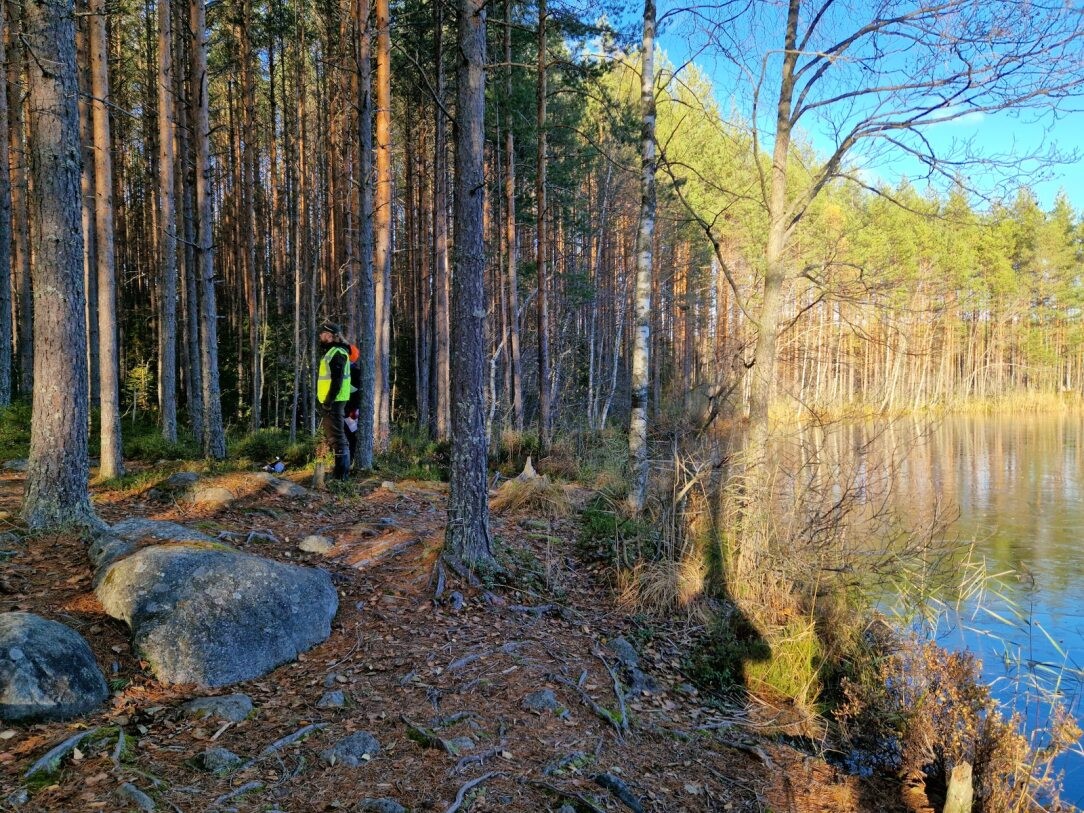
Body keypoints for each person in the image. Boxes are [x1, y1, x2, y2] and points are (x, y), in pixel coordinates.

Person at [317, 322, 352, 480]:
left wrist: (328, 402)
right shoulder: (333, 351)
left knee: (338, 437)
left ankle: (341, 477)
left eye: (322, 333)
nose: (320, 336)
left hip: (334, 401)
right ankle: (340, 473)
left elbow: (337, 381)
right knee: (334, 436)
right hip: (333, 401)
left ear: (330, 335)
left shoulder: (337, 353)